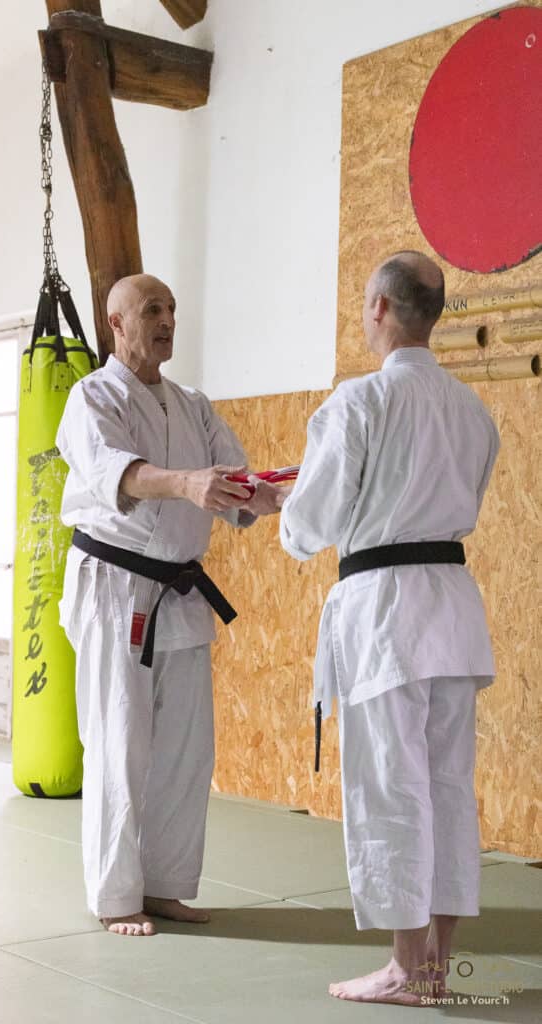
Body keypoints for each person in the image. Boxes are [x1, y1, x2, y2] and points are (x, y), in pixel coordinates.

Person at [280, 251, 500, 1006]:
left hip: (384, 612)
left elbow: (310, 521)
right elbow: (455, 494)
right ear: (431, 316)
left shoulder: (358, 402)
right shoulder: (471, 409)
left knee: (389, 788)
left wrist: (286, 513)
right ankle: (434, 964)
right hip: (450, 605)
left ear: (377, 307)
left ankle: (408, 971)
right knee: (442, 786)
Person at [56, 273, 283, 937]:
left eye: (172, 309)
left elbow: (236, 484)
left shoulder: (192, 405)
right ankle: (114, 894)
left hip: (180, 590)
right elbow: (116, 474)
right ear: (116, 323)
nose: (165, 320)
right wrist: (187, 483)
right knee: (119, 740)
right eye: (150, 309)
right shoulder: (90, 396)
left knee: (187, 749)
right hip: (116, 585)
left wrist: (277, 496)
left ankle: (164, 884)